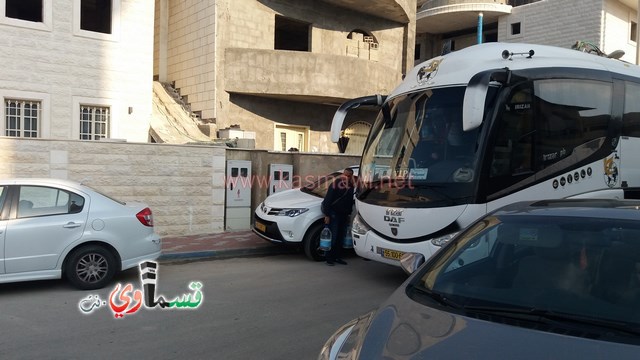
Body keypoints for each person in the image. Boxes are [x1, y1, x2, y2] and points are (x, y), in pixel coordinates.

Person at [321, 168, 356, 266]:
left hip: (344, 215)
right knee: (334, 236)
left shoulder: (351, 186)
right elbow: (328, 199)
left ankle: (337, 257)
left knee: (341, 237)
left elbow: (349, 202)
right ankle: (329, 258)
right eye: (344, 174)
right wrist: (327, 215)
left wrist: (349, 214)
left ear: (351, 176)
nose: (346, 177)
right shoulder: (335, 184)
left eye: (348, 176)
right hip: (334, 214)